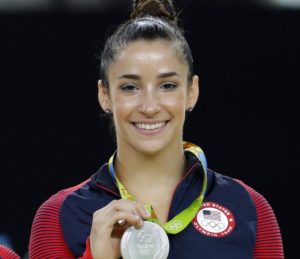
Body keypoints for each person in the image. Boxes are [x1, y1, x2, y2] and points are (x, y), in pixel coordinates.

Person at [29, 0, 284, 258]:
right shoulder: (59, 216)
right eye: (130, 87)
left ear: (191, 92)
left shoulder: (249, 208)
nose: (149, 106)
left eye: (168, 85)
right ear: (104, 95)